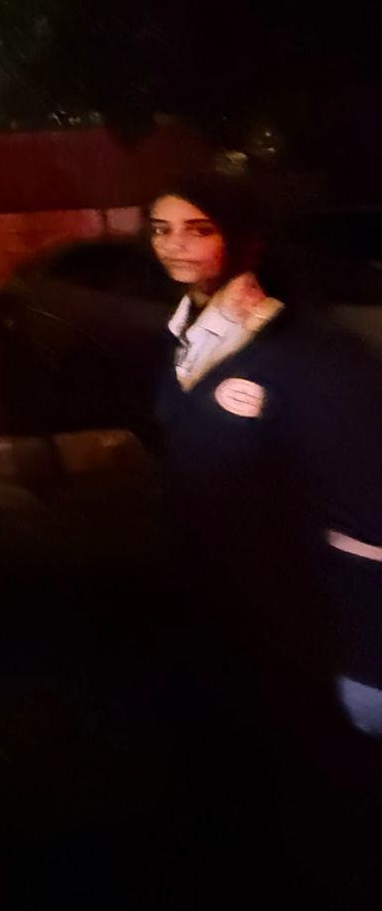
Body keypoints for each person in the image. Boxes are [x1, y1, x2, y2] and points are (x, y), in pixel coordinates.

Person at [148, 179, 382, 746]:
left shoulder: (308, 353)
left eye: (198, 229)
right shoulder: (186, 336)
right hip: (222, 610)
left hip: (299, 621)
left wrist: (367, 662)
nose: (174, 245)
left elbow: (363, 516)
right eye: (161, 230)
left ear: (245, 241)